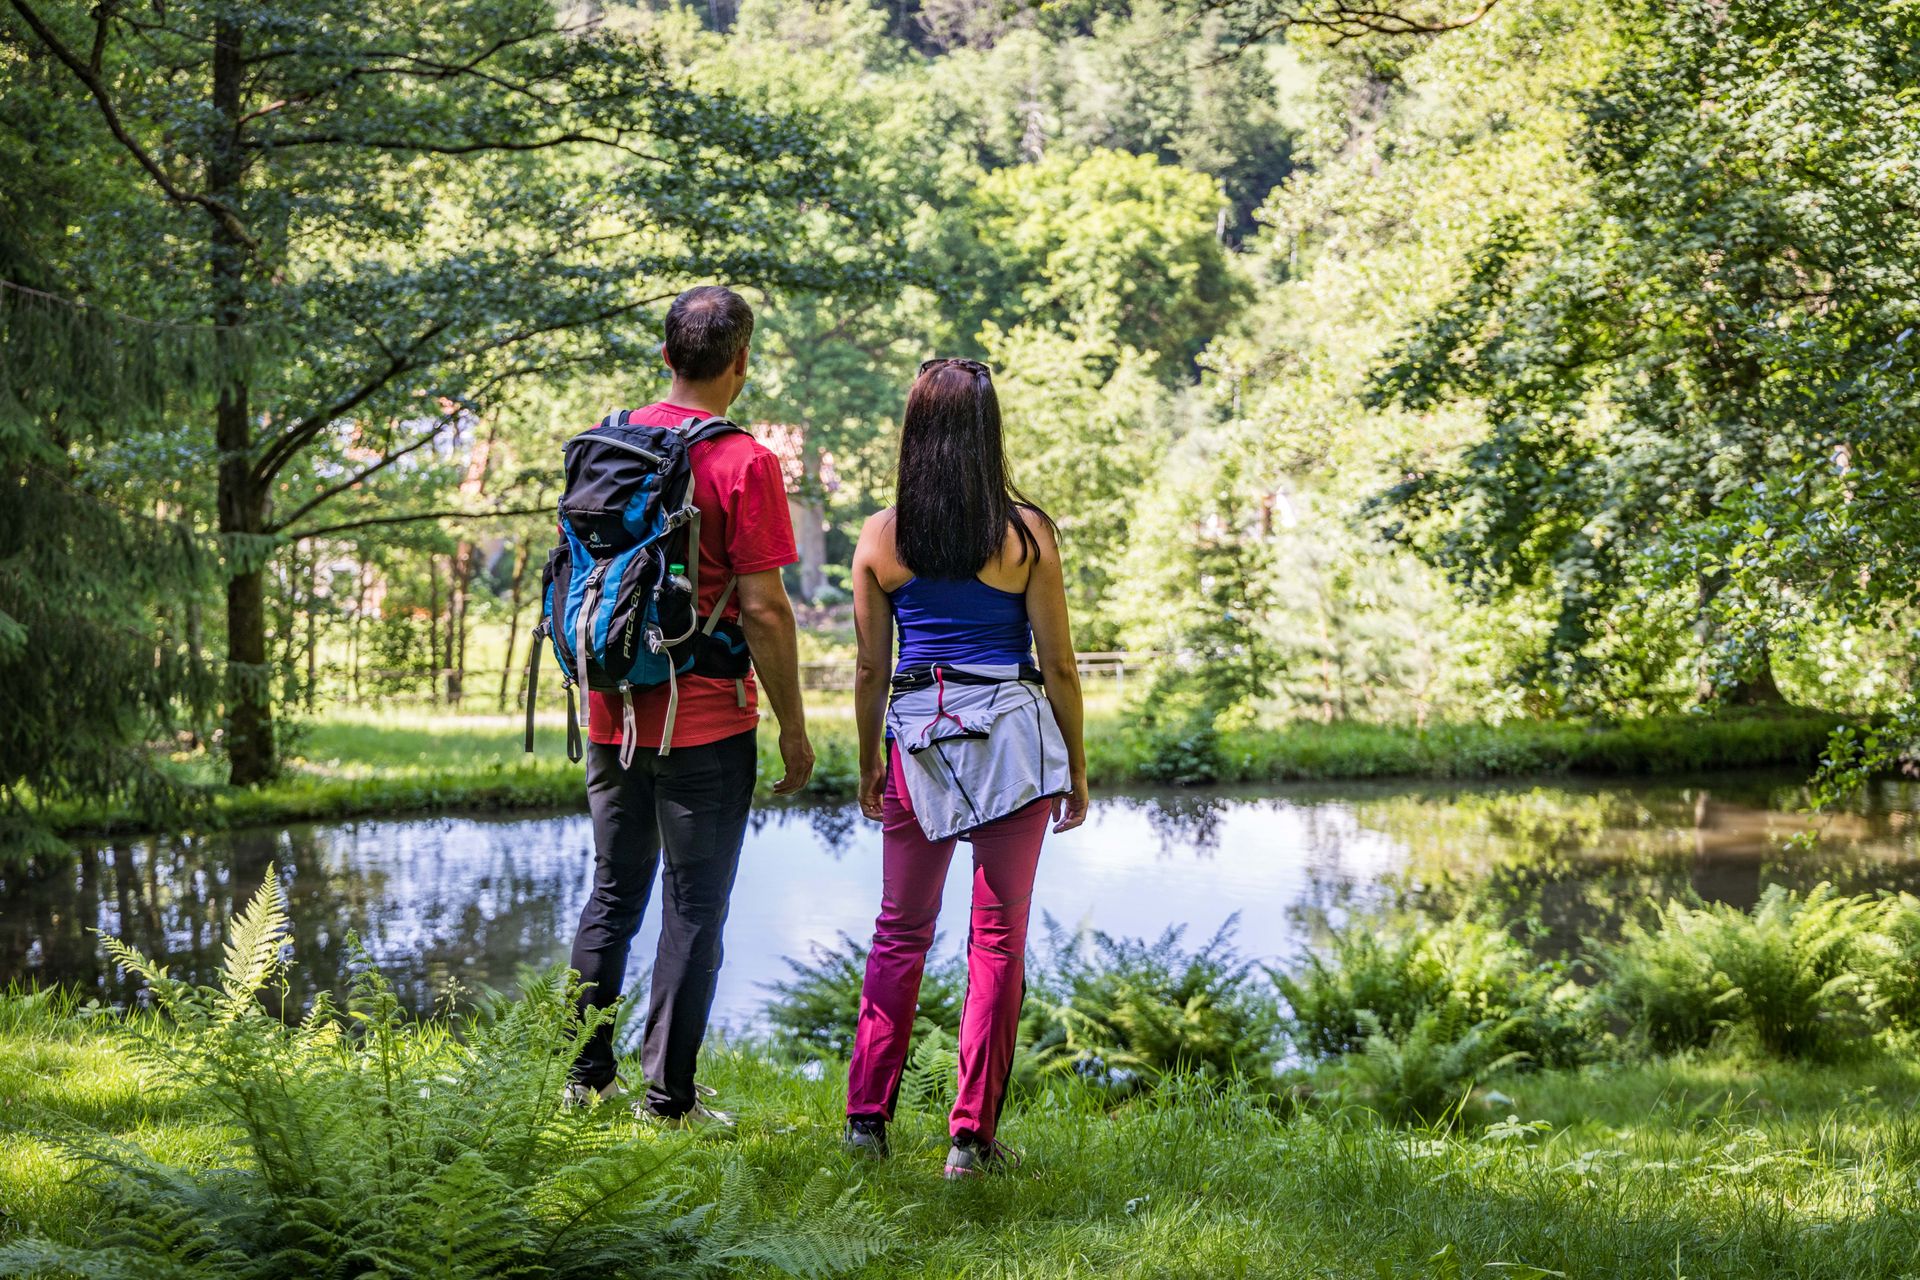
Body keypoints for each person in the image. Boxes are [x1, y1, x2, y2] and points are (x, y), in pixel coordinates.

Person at [563, 285, 814, 1124]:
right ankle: (667, 1100)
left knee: (611, 895)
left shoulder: (610, 442)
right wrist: (795, 728)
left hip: (611, 712)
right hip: (706, 721)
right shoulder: (744, 462)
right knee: (693, 911)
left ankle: (583, 1079)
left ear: (666, 356)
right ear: (740, 362)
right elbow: (767, 609)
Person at [842, 357, 1089, 1177]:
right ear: (989, 435)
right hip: (1015, 748)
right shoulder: (1026, 534)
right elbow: (1058, 667)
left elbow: (871, 671)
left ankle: (865, 1123)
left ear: (916, 432)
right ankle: (970, 1143)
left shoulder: (880, 537)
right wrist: (1076, 770)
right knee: (996, 942)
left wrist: (870, 764)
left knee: (900, 932)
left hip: (917, 742)